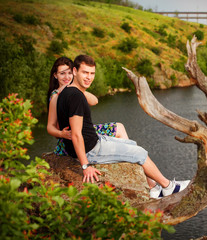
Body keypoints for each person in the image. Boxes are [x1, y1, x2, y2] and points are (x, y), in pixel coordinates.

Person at [56, 54, 190, 198]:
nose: (89, 77)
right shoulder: (75, 96)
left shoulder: (67, 91)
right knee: (140, 153)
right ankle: (167, 186)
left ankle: (153, 186)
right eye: (85, 72)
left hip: (94, 140)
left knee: (131, 144)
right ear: (75, 71)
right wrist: (85, 166)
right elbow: (76, 134)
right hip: (91, 150)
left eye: (92, 73)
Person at [47, 57, 128, 156]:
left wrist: (74, 90)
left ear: (74, 72)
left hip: (85, 133)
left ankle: (128, 159)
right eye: (62, 73)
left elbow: (95, 101)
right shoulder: (56, 95)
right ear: (55, 75)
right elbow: (50, 127)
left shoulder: (75, 91)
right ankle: (129, 156)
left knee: (119, 127)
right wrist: (61, 134)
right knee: (118, 130)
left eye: (69, 73)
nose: (67, 77)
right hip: (69, 140)